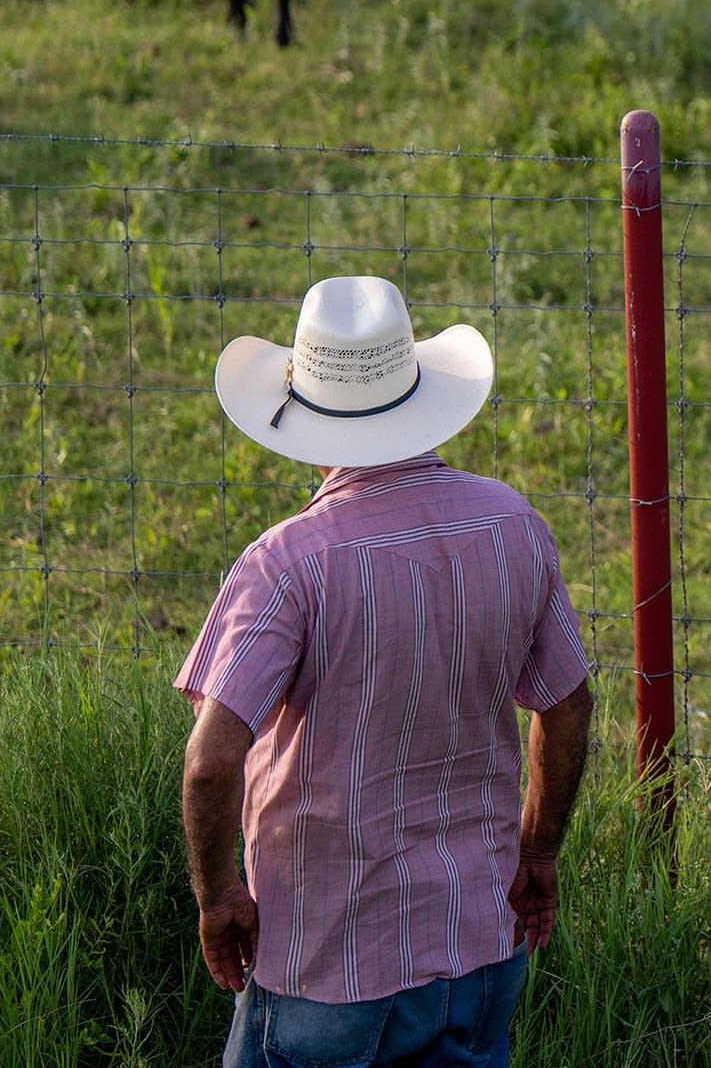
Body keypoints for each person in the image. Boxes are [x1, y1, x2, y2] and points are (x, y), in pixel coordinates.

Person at [176, 274, 593, 1068]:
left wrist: (219, 896)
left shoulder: (288, 562)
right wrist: (537, 852)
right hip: (477, 941)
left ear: (303, 408)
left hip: (327, 964)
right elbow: (567, 706)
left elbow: (210, 761)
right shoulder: (513, 524)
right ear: (415, 389)